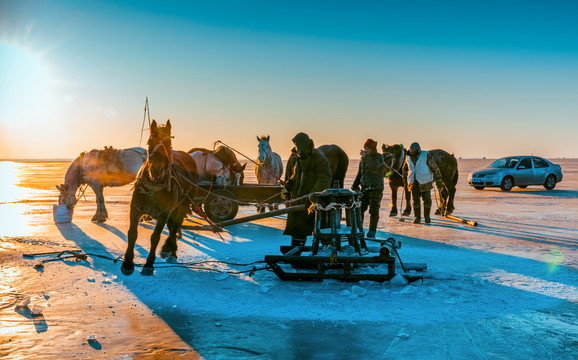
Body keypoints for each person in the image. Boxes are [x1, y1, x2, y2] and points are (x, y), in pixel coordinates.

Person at [283, 133, 332, 252]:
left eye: (299, 146)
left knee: (319, 228)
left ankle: (325, 252)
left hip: (313, 203)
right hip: (298, 202)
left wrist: (312, 195)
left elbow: (324, 179)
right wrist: (290, 184)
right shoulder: (298, 158)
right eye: (296, 146)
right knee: (297, 228)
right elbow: (296, 177)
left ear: (304, 145)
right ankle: (295, 253)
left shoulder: (319, 158)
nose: (297, 148)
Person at [351, 139, 386, 237]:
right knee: (361, 209)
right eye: (364, 148)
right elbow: (360, 173)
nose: (365, 150)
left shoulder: (379, 157)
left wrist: (366, 157)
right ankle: (359, 230)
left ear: (372, 148)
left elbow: (375, 165)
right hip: (365, 188)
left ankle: (372, 232)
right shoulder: (364, 159)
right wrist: (355, 185)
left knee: (374, 211)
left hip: (376, 188)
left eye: (367, 148)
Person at [402, 142, 443, 224]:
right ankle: (417, 217)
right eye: (411, 150)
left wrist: (438, 180)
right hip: (413, 183)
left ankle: (427, 217)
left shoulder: (425, 155)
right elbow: (405, 169)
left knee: (427, 200)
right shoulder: (408, 158)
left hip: (425, 182)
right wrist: (404, 178)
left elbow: (434, 168)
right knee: (415, 201)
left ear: (418, 150)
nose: (412, 151)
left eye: (414, 150)